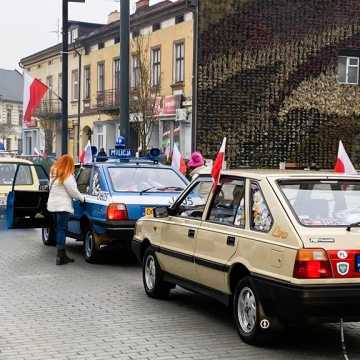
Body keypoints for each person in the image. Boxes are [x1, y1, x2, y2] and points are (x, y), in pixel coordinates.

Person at [47, 154, 85, 265]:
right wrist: (82, 198)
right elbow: (73, 191)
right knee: (62, 229)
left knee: (58, 229)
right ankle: (60, 256)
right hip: (63, 206)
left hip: (53, 206)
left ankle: (62, 254)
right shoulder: (67, 175)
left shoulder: (54, 174)